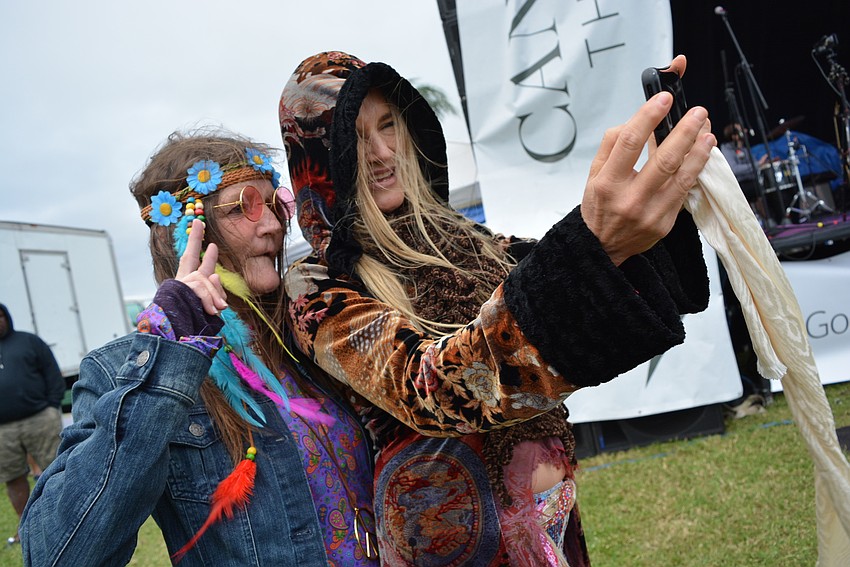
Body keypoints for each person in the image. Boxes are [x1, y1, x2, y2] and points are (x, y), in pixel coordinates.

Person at [279, 51, 715, 566]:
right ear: (319, 160)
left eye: (389, 124)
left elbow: (556, 275)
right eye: (353, 138)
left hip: (544, 518)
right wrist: (593, 243)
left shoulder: (460, 237)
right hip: (454, 542)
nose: (381, 152)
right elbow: (433, 389)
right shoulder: (316, 283)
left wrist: (647, 204)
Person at [20, 130, 381, 566]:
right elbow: (56, 554)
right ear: (185, 229)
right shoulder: (120, 371)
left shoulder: (309, 328)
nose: (271, 224)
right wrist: (167, 356)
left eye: (273, 203)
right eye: (244, 205)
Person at [0, 303, 65, 546]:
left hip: (39, 419)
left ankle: (63, 520)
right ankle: (25, 527)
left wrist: (51, 406)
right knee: (13, 477)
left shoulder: (28, 341)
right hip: (2, 430)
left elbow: (52, 372)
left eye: (1, 315)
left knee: (55, 469)